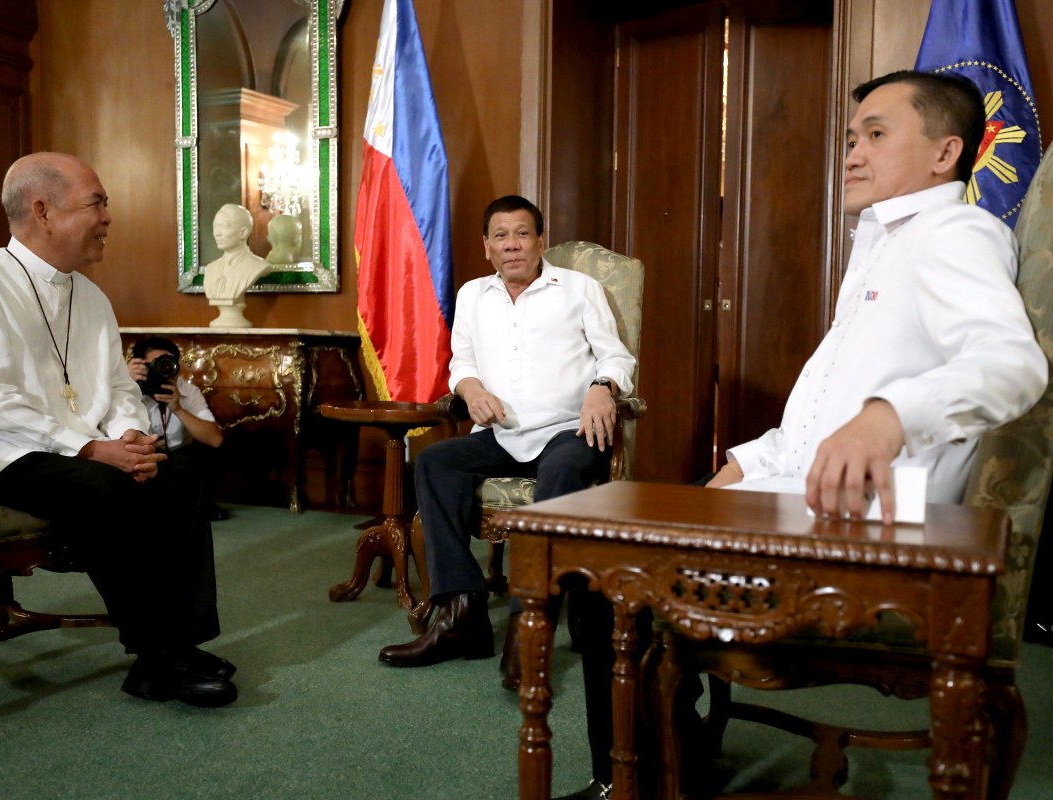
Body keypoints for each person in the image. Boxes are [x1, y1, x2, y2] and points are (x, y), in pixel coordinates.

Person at [556, 70, 1048, 800]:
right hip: (804, 493)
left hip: (878, 524)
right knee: (611, 548)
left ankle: (638, 779)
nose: (851, 152)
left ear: (945, 153)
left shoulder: (955, 233)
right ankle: (666, 761)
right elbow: (818, 417)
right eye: (852, 137)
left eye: (877, 135)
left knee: (603, 577)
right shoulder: (881, 245)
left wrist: (890, 416)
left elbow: (1013, 364)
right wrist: (741, 467)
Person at [0, 151, 239, 708]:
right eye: (98, 203)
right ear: (43, 210)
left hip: (67, 449)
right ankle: (158, 657)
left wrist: (131, 437)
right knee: (102, 485)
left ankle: (180, 643)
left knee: (181, 468)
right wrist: (92, 447)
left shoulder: (88, 295)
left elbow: (116, 387)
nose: (108, 217)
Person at [377, 194, 636, 670]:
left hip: (568, 432)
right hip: (500, 434)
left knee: (560, 475)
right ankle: (462, 616)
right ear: (487, 247)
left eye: (522, 233)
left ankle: (527, 625)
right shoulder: (474, 294)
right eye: (501, 236)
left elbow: (616, 356)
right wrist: (471, 389)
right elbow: (463, 363)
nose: (511, 245)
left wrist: (603, 387)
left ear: (541, 241)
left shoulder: (578, 289)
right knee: (435, 463)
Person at [127, 335, 228, 520]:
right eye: (153, 364)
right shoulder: (126, 389)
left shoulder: (187, 390)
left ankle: (200, 504)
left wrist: (179, 408)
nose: (160, 369)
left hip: (177, 454)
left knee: (203, 456)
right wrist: (127, 385)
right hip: (140, 454)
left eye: (165, 363)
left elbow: (215, 440)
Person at [202, 203, 270, 301]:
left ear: (243, 232)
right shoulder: (211, 269)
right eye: (215, 227)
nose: (217, 233)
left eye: (223, 227)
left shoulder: (258, 266)